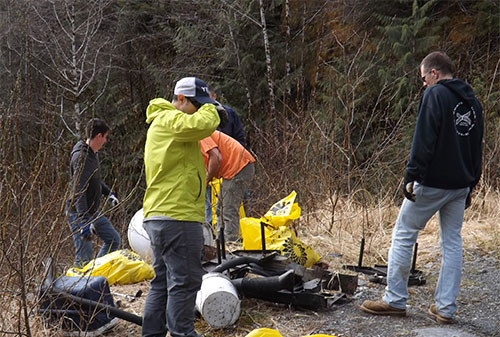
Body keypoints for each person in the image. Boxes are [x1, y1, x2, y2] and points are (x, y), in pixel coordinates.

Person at [360, 51, 483, 324]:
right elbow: (477, 147)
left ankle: (394, 300)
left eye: (424, 78)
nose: (423, 84)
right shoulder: (473, 102)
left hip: (432, 183)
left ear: (435, 74)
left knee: (404, 234)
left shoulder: (435, 95)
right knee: (452, 242)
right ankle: (445, 309)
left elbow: (423, 139)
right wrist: (471, 184)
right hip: (460, 184)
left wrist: (411, 175)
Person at [141, 77, 221, 337]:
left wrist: (204, 102)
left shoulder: (167, 123)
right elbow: (204, 123)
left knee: (162, 283)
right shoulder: (170, 120)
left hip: (161, 215)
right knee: (184, 284)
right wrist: (211, 105)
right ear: (181, 100)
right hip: (177, 216)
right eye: (197, 104)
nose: (200, 109)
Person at [67, 118, 121, 268]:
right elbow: (79, 190)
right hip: (78, 213)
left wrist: (108, 193)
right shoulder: (81, 158)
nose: (105, 141)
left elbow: (94, 181)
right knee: (84, 256)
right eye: (105, 137)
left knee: (113, 240)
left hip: (92, 210)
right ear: (98, 136)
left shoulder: (92, 155)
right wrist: (84, 221)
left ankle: (94, 272)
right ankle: (77, 288)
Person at [199, 130, 255, 242]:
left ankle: (230, 246)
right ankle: (221, 244)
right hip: (232, 170)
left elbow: (216, 158)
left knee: (228, 210)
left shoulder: (199, 134)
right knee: (220, 210)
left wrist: (206, 179)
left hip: (239, 166)